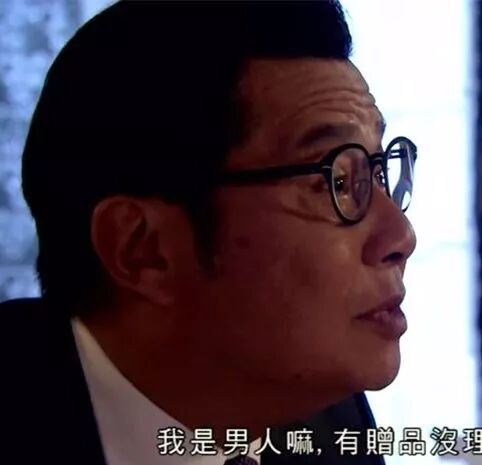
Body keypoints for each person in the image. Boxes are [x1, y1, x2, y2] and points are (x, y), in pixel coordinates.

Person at [0, 1, 417, 464]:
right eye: (335, 182)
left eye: (377, 171)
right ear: (143, 249)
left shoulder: (325, 420)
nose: (401, 237)